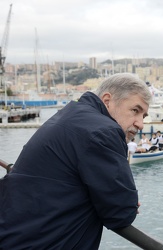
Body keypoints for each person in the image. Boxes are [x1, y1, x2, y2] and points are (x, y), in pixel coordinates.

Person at [0, 73, 152, 249]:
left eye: (144, 116)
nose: (140, 124)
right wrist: (121, 201)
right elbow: (121, 212)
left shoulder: (71, 114)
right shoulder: (104, 132)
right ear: (108, 100)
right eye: (135, 110)